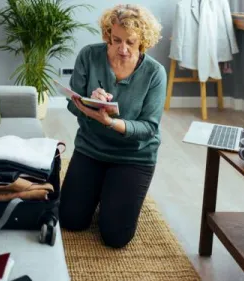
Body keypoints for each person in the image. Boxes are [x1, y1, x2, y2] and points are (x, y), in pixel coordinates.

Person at [59, 4, 166, 248]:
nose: (123, 49)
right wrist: (91, 104)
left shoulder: (155, 73)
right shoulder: (89, 55)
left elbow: (149, 127)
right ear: (108, 34)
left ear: (143, 40)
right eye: (116, 40)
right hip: (91, 148)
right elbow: (72, 104)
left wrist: (110, 122)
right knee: (70, 220)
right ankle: (102, 190)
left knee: (115, 237)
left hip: (133, 157)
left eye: (131, 41)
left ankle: (111, 194)